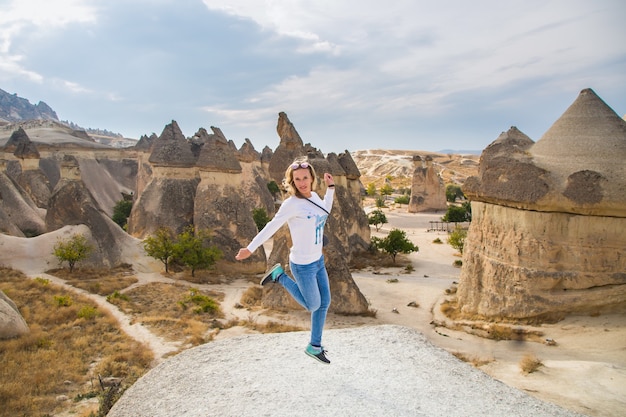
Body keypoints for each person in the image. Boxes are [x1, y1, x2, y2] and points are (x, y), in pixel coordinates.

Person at [235, 158, 335, 364]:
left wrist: (331, 188)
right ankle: (279, 276)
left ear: (312, 178)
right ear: (292, 182)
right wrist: (251, 248)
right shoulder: (291, 205)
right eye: (297, 179)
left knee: (324, 303)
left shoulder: (315, 197)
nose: (302, 182)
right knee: (313, 304)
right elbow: (272, 226)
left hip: (318, 261)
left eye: (305, 178)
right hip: (303, 265)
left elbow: (325, 210)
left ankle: (314, 346)